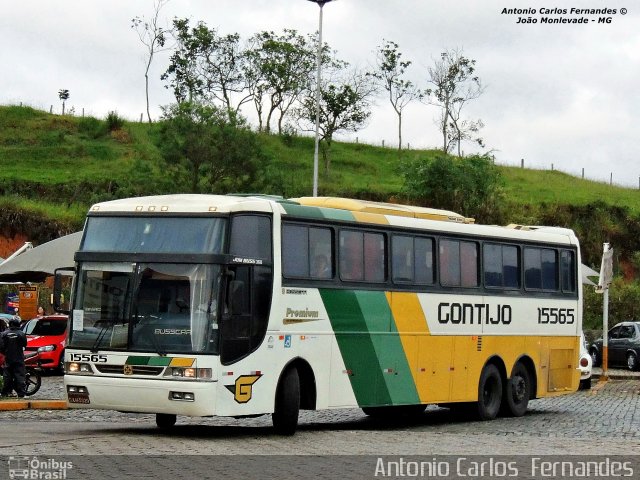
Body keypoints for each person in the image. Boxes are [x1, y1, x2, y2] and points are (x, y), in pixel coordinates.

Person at [0, 317, 28, 398]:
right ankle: (21, 393)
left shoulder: (4, 334)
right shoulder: (21, 334)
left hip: (7, 358)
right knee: (20, 376)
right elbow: (24, 344)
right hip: (19, 358)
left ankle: (5, 392)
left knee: (7, 376)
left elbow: (1, 346)